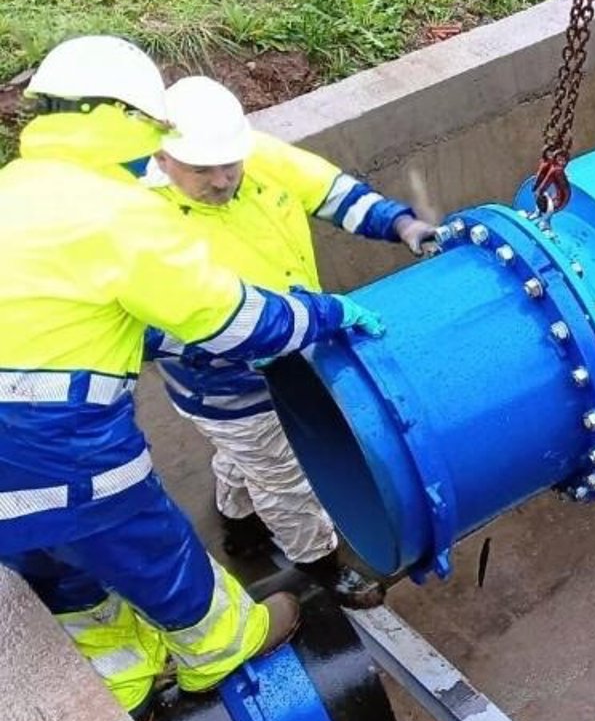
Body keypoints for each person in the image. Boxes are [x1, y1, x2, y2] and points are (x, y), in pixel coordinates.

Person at [0, 37, 385, 721]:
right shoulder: (118, 210)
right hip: (61, 445)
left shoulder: (15, 190)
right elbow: (233, 321)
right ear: (121, 118)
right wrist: (326, 315)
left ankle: (129, 687)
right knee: (148, 548)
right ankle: (220, 648)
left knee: (56, 570)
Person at [145, 76, 438, 608]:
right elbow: (149, 332)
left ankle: (237, 520)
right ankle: (319, 562)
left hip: (293, 348)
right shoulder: (141, 226)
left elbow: (335, 195)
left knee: (251, 459)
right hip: (231, 388)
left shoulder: (259, 158)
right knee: (287, 478)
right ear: (163, 159)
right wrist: (227, 341)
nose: (222, 179)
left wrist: (400, 224)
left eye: (229, 164)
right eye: (202, 170)